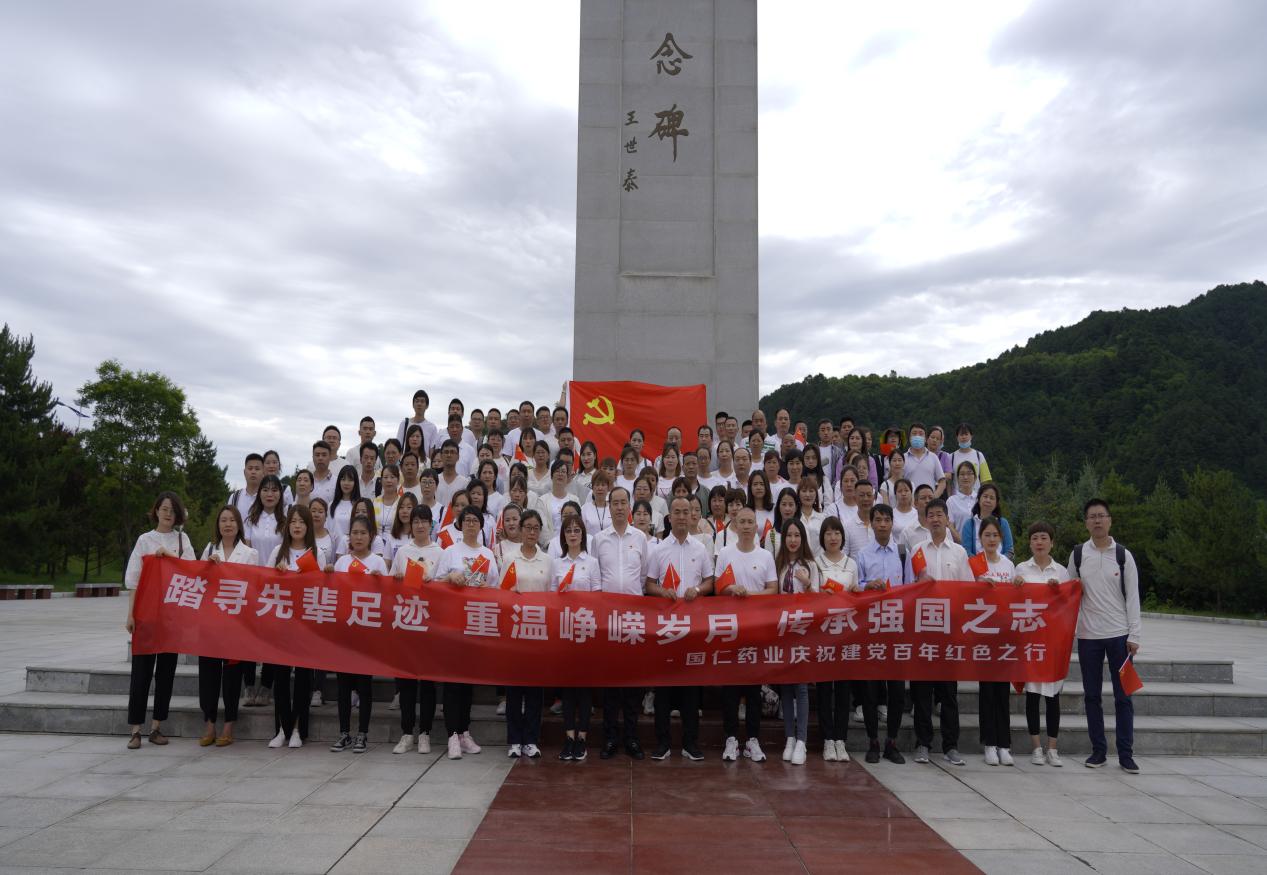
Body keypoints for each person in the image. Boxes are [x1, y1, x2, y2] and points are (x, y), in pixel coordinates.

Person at [1068, 498, 1142, 774]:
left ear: (1110, 520)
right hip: (1088, 637)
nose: (1097, 521)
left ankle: (1126, 754)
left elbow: (1133, 596)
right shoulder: (1078, 554)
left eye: (1101, 515)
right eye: (1092, 516)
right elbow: (1068, 593)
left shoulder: (1123, 555)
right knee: (1092, 696)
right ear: (1086, 522)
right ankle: (1098, 750)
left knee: (1124, 697)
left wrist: (1134, 634)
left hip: (1119, 637)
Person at [124, 491, 197, 749]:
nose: (167, 513)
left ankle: (156, 726)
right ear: (155, 511)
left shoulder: (181, 539)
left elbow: (192, 569)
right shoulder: (145, 540)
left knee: (166, 673)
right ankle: (135, 729)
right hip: (146, 613)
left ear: (178, 514)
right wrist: (131, 614)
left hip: (171, 616)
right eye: (163, 508)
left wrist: (171, 558)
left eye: (172, 510)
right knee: (141, 673)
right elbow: (133, 579)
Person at [645, 497, 713, 762]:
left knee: (690, 687)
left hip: (693, 626)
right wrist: (663, 591)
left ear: (693, 516)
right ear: (669, 517)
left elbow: (710, 581)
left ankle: (690, 743)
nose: (682, 516)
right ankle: (662, 743)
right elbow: (649, 584)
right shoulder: (659, 549)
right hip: (666, 625)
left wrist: (697, 590)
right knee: (663, 686)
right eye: (677, 512)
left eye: (687, 512)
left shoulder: (700, 547)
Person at [906, 499, 972, 766]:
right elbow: (907, 588)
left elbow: (967, 589)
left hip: (949, 632)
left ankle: (950, 745)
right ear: (925, 519)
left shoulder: (959, 553)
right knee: (922, 691)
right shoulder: (917, 551)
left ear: (947, 519)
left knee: (948, 693)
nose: (934, 519)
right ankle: (923, 743)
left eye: (939, 515)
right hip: (923, 630)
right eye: (930, 515)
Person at [435, 507, 499, 759]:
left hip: (476, 625)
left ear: (481, 525)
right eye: (467, 520)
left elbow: (496, 587)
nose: (471, 524)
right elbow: (435, 582)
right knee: (452, 683)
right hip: (453, 623)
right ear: (460, 524)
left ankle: (464, 732)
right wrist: (451, 576)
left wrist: (486, 587)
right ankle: (452, 735)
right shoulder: (450, 552)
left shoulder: (487, 554)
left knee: (468, 682)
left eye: (475, 520)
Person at [714, 507, 776, 763]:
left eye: (751, 522)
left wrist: (750, 595)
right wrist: (731, 590)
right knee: (730, 685)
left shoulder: (765, 556)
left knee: (752, 687)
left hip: (757, 628)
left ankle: (752, 739)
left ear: (757, 527)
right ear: (735, 526)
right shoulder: (726, 553)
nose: (748, 526)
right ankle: (731, 738)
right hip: (730, 629)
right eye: (743, 522)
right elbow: (718, 588)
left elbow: (772, 589)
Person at [591, 487, 648, 760]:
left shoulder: (641, 538)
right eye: (614, 502)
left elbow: (645, 576)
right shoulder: (599, 539)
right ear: (608, 505)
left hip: (634, 617)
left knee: (633, 684)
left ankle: (632, 738)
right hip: (608, 617)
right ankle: (611, 738)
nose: (618, 507)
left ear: (630, 506)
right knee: (611, 683)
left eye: (623, 502)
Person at [197, 505, 258, 747]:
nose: (228, 524)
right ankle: (209, 723)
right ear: (218, 525)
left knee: (232, 676)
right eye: (223, 520)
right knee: (208, 674)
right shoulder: (210, 550)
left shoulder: (250, 554)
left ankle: (228, 725)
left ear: (239, 525)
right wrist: (208, 567)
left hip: (235, 624)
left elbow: (254, 587)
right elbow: (199, 582)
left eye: (232, 520)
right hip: (211, 623)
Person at [1014, 520, 1071, 767]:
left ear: (1051, 543)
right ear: (1030, 542)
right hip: (1030, 641)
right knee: (1033, 696)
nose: (1039, 542)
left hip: (1053, 642)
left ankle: (1053, 748)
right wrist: (1015, 588)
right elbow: (1013, 605)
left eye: (1044, 538)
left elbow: (1068, 606)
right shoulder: (1021, 569)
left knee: (1053, 697)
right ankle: (1036, 747)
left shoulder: (1061, 571)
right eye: (1035, 537)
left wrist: (1059, 591)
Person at [329, 516, 388, 754]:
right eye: (354, 533)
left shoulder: (378, 563)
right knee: (343, 687)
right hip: (345, 632)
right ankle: (344, 733)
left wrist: (378, 582)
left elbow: (387, 598)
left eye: (363, 533)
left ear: (371, 536)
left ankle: (363, 733)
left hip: (367, 634)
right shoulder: (342, 562)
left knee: (364, 686)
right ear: (348, 537)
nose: (359, 537)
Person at [855, 504, 907, 765]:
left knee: (896, 690)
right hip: (871, 628)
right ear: (871, 524)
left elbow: (910, 589)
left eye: (887, 519)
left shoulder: (902, 553)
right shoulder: (862, 555)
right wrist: (868, 586)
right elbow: (856, 587)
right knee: (871, 689)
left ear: (892, 522)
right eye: (878, 520)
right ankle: (873, 741)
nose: (883, 524)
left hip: (896, 628)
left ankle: (892, 742)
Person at [268, 504, 322, 749]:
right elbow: (264, 585)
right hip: (280, 625)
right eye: (293, 522)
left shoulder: (315, 553)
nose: (297, 526)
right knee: (280, 679)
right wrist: (276, 574)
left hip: (305, 625)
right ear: (287, 526)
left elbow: (321, 589)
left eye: (302, 522)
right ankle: (281, 728)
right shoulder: (278, 552)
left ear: (308, 526)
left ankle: (299, 728)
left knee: (302, 679)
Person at [390, 505, 443, 754]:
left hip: (431, 625)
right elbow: (390, 586)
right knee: (407, 683)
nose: (420, 525)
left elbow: (446, 589)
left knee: (428, 684)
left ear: (432, 524)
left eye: (424, 521)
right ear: (409, 525)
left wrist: (436, 582)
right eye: (416, 521)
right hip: (407, 623)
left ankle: (425, 733)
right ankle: (406, 732)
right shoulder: (403, 551)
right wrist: (398, 578)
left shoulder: (440, 552)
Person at [501, 509, 553, 758]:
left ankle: (531, 739)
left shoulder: (547, 560)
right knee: (514, 690)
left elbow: (553, 596)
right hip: (514, 631)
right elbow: (500, 593)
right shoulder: (509, 558)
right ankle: (514, 739)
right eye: (528, 527)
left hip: (538, 632)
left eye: (536, 528)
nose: (532, 532)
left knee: (534, 690)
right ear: (520, 530)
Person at [553, 516, 601, 761]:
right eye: (568, 531)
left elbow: (597, 598)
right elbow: (551, 600)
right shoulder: (557, 563)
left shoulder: (591, 563)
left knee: (583, 689)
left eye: (577, 530)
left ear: (583, 535)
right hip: (564, 633)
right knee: (568, 689)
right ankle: (569, 736)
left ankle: (582, 737)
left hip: (586, 632)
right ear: (563, 536)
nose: (573, 534)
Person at [774, 518, 820, 766]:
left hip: (803, 632)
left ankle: (801, 740)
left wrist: (808, 583)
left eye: (796, 535)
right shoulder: (779, 564)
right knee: (787, 686)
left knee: (801, 687)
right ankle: (789, 737)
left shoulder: (810, 565)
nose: (793, 540)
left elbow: (820, 599)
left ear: (803, 539)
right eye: (789, 535)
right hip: (784, 631)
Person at [973, 516, 1017, 766]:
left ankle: (1004, 744)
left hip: (1004, 636)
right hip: (982, 635)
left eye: (995, 535)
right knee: (986, 692)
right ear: (980, 538)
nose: (991, 539)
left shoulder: (1009, 565)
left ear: (1001, 538)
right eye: (987, 535)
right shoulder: (975, 564)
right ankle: (989, 744)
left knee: (1002, 692)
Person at [815, 517, 857, 762]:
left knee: (843, 690)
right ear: (822, 537)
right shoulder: (815, 563)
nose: (833, 537)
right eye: (828, 533)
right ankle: (827, 740)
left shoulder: (851, 563)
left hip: (845, 634)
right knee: (824, 690)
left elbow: (855, 596)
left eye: (837, 533)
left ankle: (841, 739)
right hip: (822, 635)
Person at [960, 483, 1014, 559]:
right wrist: (982, 565)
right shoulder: (969, 524)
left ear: (996, 503)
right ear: (978, 499)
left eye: (992, 498)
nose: (988, 500)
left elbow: (1010, 551)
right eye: (985, 496)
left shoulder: (1002, 523)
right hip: (977, 568)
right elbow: (966, 551)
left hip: (1000, 568)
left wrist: (998, 563)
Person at [903, 422, 946, 495]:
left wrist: (934, 497)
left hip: (929, 502)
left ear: (926, 438)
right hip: (910, 503)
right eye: (914, 433)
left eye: (921, 434)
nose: (917, 436)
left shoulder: (933, 457)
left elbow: (942, 481)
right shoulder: (903, 458)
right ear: (909, 438)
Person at [229, 453, 264, 520]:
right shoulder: (234, 498)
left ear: (263, 473)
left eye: (257, 469)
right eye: (250, 468)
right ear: (244, 472)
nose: (253, 472)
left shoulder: (268, 498)